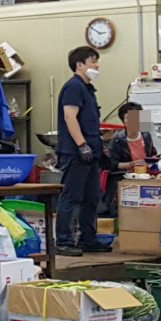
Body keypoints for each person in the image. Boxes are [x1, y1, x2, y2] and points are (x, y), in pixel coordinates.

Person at [55, 46, 109, 256]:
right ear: (80, 65)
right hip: (76, 152)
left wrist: (98, 148)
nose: (96, 66)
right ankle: (63, 240)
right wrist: (81, 145)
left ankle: (88, 238)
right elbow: (70, 117)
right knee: (71, 196)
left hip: (92, 152)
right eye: (93, 61)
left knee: (91, 197)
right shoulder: (74, 87)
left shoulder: (88, 89)